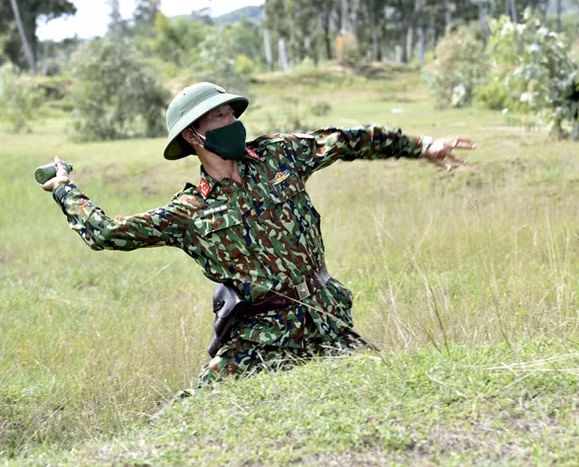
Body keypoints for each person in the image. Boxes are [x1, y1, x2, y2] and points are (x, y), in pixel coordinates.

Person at [40, 81, 476, 387]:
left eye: (231, 112)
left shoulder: (279, 155)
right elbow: (106, 233)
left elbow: (345, 140)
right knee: (196, 416)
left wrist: (421, 145)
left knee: (381, 387)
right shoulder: (190, 211)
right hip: (259, 334)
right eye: (219, 117)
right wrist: (64, 188)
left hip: (324, 313)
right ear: (193, 135)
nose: (232, 121)